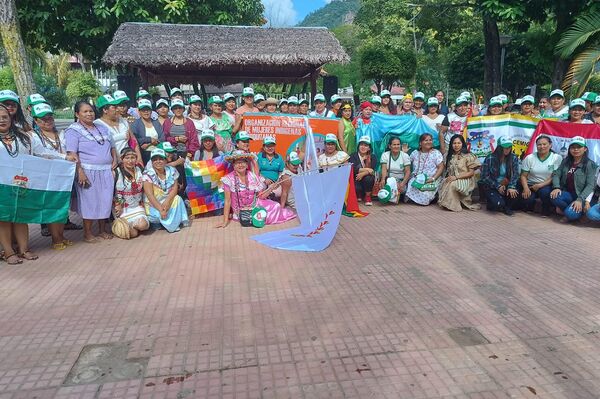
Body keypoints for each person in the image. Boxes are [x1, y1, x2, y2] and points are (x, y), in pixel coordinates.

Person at [65, 101, 117, 242]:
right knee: (89, 202)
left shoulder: (102, 128)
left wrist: (114, 160)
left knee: (105, 201)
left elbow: (112, 146)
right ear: (77, 114)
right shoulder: (73, 130)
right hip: (87, 171)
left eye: (91, 111)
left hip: (106, 170)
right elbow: (72, 153)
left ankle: (101, 230)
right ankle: (87, 233)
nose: (89, 114)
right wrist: (80, 171)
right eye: (85, 111)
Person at [216, 150, 295, 228]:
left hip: (256, 205)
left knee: (276, 206)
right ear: (233, 165)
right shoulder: (228, 179)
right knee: (261, 217)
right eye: (237, 162)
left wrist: (270, 188)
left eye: (243, 162)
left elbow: (261, 196)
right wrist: (225, 221)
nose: (240, 165)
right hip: (240, 212)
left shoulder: (252, 176)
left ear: (247, 164)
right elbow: (227, 201)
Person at [0, 104, 38, 264]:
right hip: (1, 185)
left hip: (19, 183)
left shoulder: (23, 137)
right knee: (4, 218)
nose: (2, 120)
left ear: (10, 118)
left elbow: (39, 153)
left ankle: (24, 249)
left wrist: (65, 158)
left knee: (20, 216)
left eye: (4, 117)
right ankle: (8, 252)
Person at [550, 136, 597, 222]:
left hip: (582, 196)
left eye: (579, 147)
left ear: (585, 149)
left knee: (570, 214)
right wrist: (556, 187)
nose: (575, 150)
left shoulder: (590, 164)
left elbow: (590, 185)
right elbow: (556, 174)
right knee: (554, 196)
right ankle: (572, 209)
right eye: (573, 147)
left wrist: (580, 200)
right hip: (569, 194)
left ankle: (571, 212)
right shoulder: (566, 161)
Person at [142, 148, 189, 232]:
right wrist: (161, 209)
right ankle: (161, 223)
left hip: (167, 201)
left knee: (178, 199)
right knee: (157, 216)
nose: (158, 161)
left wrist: (167, 201)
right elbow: (150, 195)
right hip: (154, 204)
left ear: (165, 160)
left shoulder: (172, 170)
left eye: (161, 159)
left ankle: (172, 221)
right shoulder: (147, 175)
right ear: (152, 162)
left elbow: (175, 188)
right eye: (155, 159)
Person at [519, 135, 562, 215]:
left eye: (544, 144)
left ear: (550, 145)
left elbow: (555, 176)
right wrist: (525, 188)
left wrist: (540, 185)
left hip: (547, 185)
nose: (542, 147)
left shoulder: (556, 158)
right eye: (539, 144)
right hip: (531, 185)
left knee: (545, 193)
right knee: (527, 200)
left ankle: (546, 209)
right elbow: (523, 176)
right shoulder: (530, 158)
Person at [113, 147, 149, 238]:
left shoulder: (140, 170)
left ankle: (130, 227)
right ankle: (126, 227)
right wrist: (117, 204)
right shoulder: (116, 173)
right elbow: (113, 191)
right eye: (127, 158)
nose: (130, 161)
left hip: (137, 206)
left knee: (143, 225)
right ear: (122, 159)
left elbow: (145, 188)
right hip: (122, 208)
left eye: (133, 158)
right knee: (133, 234)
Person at [438, 134, 481, 212]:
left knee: (452, 185)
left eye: (459, 143)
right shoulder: (448, 155)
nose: (456, 145)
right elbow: (442, 149)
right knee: (445, 183)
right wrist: (441, 133)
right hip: (453, 178)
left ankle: (454, 207)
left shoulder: (468, 156)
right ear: (451, 144)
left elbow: (471, 173)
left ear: (463, 144)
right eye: (454, 143)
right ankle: (452, 203)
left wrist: (456, 177)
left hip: (466, 179)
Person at [479, 136, 520, 216]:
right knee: (497, 204)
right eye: (504, 147)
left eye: (509, 147)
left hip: (507, 185)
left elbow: (516, 174)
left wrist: (511, 186)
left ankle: (506, 206)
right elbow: (484, 176)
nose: (507, 149)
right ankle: (498, 204)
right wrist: (498, 186)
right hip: (493, 185)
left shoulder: (514, 157)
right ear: (499, 147)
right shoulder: (490, 157)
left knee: (516, 194)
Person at [95, 94, 142, 162]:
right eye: (114, 107)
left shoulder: (123, 121)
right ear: (105, 110)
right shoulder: (97, 125)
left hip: (128, 162)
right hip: (111, 163)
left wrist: (139, 158)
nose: (117, 109)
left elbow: (133, 140)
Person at [406, 133, 445, 206]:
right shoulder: (415, 153)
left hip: (431, 179)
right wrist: (404, 153)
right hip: (417, 179)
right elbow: (406, 163)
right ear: (420, 143)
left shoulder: (436, 153)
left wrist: (433, 178)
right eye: (426, 140)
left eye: (430, 140)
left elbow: (441, 167)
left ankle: (432, 197)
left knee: (425, 197)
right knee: (411, 187)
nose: (428, 142)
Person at [131, 98, 164, 165]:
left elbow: (163, 138)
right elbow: (135, 139)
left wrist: (149, 143)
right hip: (144, 155)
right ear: (139, 112)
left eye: (148, 109)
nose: (146, 112)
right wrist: (149, 139)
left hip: (158, 153)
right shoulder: (135, 124)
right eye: (143, 110)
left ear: (151, 111)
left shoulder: (156, 122)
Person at [379, 136, 411, 203]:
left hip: (401, 181)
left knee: (401, 190)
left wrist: (402, 183)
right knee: (385, 190)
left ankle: (398, 196)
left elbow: (408, 171)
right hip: (389, 180)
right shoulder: (385, 155)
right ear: (390, 146)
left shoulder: (405, 156)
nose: (396, 146)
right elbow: (384, 169)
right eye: (394, 144)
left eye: (398, 144)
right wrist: (382, 180)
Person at [349, 136, 376, 205]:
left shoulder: (372, 157)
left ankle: (367, 197)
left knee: (369, 178)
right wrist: (367, 169)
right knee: (355, 185)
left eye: (366, 145)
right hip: (356, 179)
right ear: (358, 146)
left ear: (369, 148)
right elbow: (354, 168)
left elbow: (372, 171)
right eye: (361, 145)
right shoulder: (353, 156)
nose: (363, 147)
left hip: (366, 179)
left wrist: (362, 174)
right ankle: (359, 194)